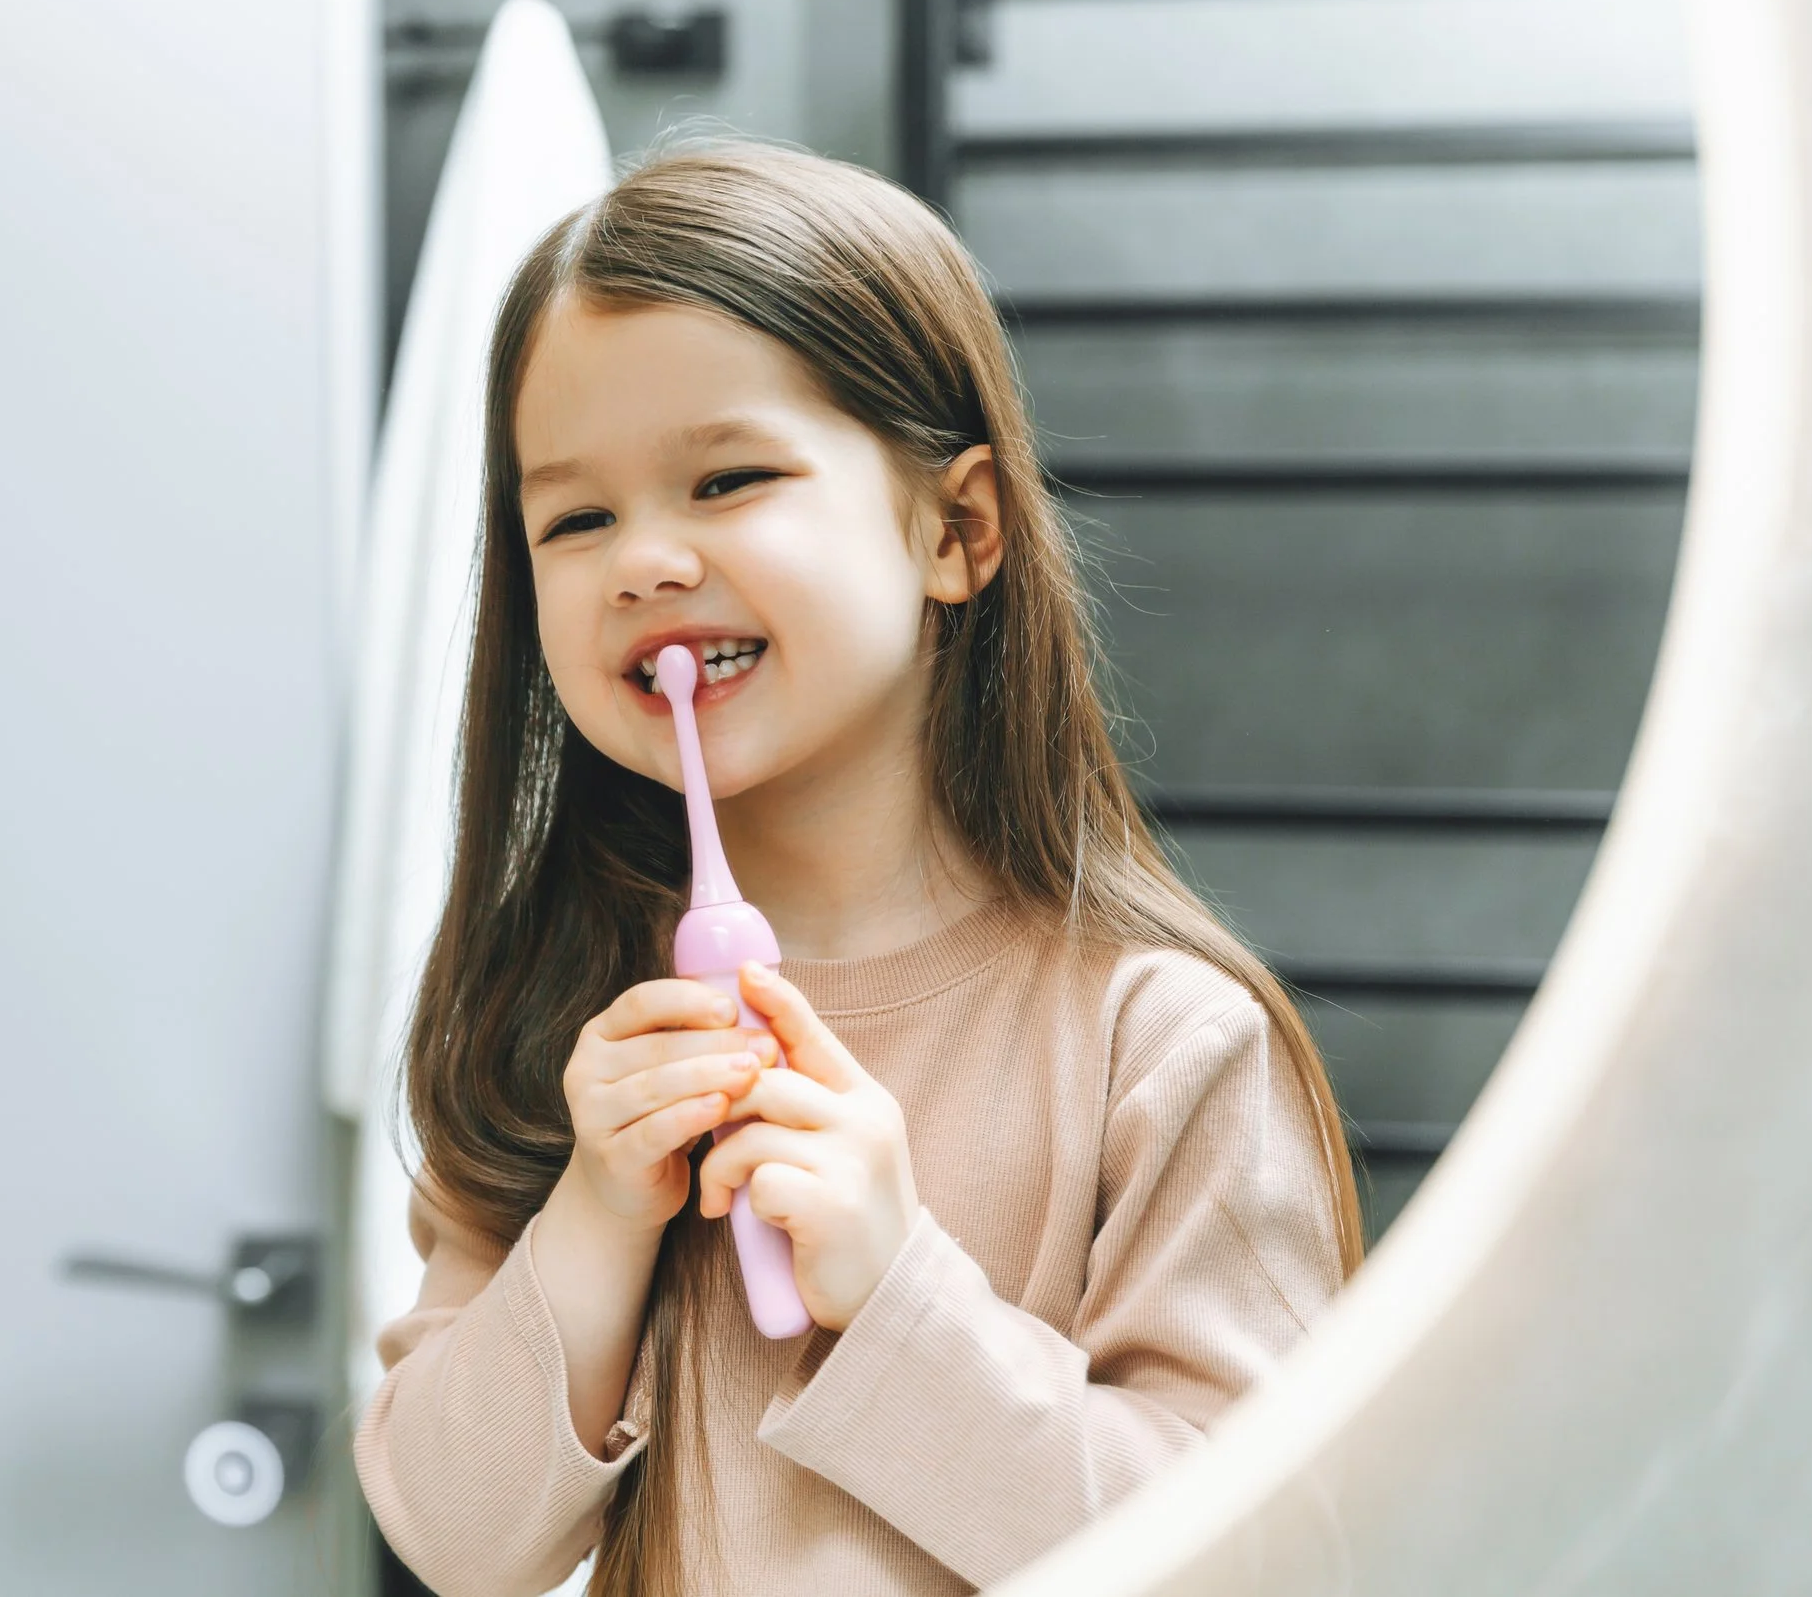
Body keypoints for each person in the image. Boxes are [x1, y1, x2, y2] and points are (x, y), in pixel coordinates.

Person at [354, 142, 1361, 1597]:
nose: (641, 559)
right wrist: (594, 1214)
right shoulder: (554, 1019)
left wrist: (900, 1301)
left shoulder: (1163, 1044)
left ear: (954, 530)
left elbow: (1263, 1560)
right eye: (575, 517)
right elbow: (455, 1540)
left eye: (727, 477)